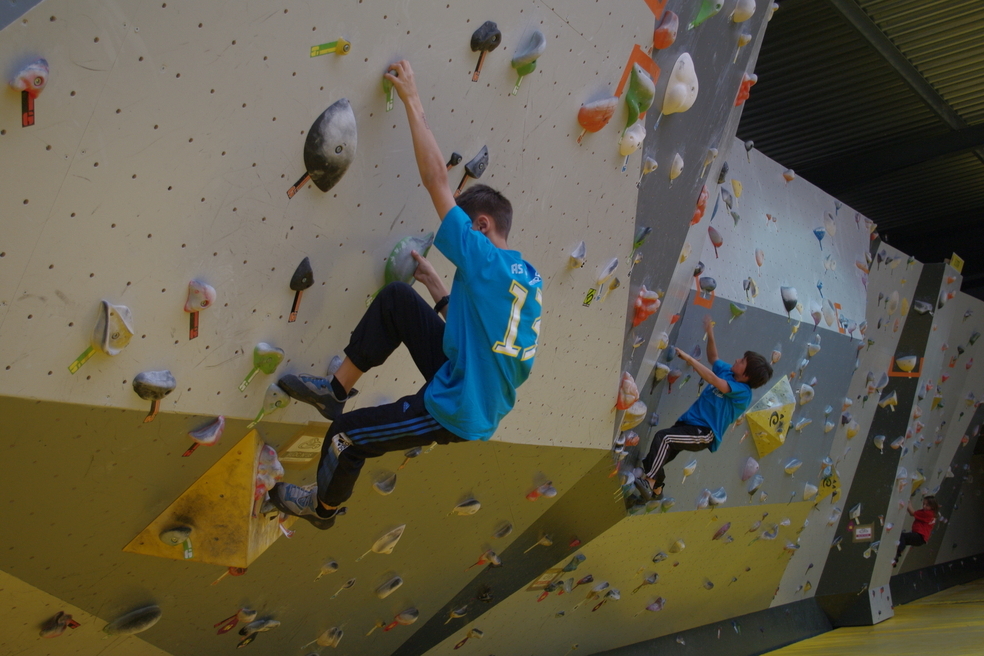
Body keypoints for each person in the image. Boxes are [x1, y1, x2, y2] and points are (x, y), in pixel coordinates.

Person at [268, 60, 542, 529]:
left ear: (480, 226)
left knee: (346, 438)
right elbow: (486, 339)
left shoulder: (483, 258)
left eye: (465, 226)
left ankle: (322, 509)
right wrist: (439, 291)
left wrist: (413, 100)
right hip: (471, 379)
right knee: (398, 299)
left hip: (455, 409)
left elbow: (437, 180)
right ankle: (335, 390)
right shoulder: (525, 277)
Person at [636, 316, 772, 500]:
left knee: (664, 438)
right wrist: (710, 334)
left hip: (704, 432)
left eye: (742, 361)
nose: (737, 359)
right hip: (688, 423)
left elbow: (713, 380)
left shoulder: (743, 393)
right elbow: (713, 358)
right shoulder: (728, 371)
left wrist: (689, 358)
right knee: (654, 458)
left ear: (747, 376)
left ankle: (649, 482)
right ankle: (657, 489)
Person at [893, 495, 939, 566]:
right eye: (923, 504)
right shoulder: (930, 513)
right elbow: (912, 513)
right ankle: (895, 558)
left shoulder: (928, 513)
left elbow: (912, 513)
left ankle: (897, 554)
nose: (924, 506)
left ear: (932, 506)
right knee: (903, 541)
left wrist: (908, 501)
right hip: (920, 538)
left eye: (927, 505)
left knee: (902, 536)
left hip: (919, 536)